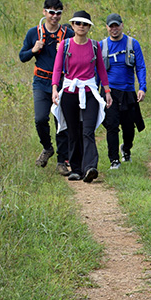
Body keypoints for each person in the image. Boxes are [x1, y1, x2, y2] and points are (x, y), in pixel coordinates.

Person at [51, 11, 113, 183]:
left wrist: (107, 91)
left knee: (88, 131)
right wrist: (55, 89)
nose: (81, 26)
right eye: (78, 23)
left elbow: (101, 68)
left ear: (89, 27)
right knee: (73, 131)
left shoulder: (94, 46)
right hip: (70, 91)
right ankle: (76, 169)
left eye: (85, 24)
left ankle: (90, 167)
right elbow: (57, 69)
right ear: (72, 26)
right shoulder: (65, 45)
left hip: (89, 91)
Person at [19, 0, 74, 175]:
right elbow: (22, 56)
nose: (55, 16)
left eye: (58, 13)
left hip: (62, 83)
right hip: (41, 82)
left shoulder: (68, 34)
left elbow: (77, 58)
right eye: (51, 12)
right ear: (44, 12)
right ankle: (47, 148)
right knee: (40, 119)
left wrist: (65, 51)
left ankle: (62, 161)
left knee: (61, 122)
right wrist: (34, 50)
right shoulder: (34, 33)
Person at [101, 13, 147, 170]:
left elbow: (140, 66)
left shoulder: (133, 43)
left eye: (116, 25)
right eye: (111, 26)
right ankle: (114, 160)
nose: (114, 29)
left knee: (129, 127)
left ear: (122, 25)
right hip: (109, 92)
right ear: (107, 28)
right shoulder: (101, 46)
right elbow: (95, 70)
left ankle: (126, 149)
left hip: (128, 92)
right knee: (112, 125)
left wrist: (142, 87)